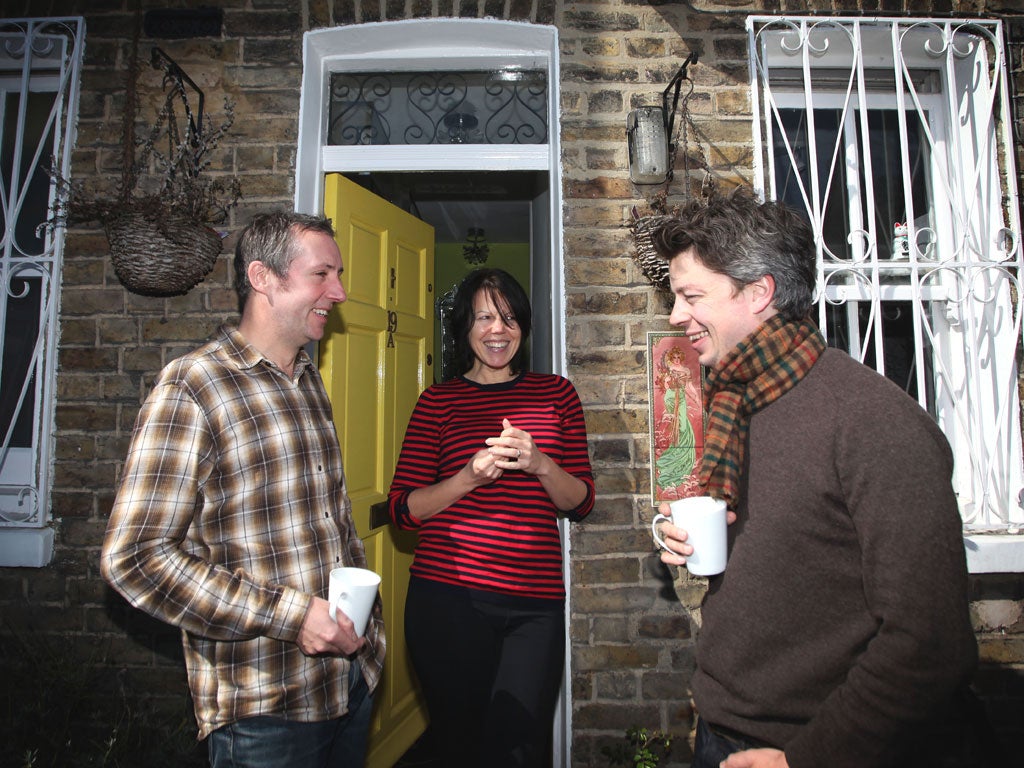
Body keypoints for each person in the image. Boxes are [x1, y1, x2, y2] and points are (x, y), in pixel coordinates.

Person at [649, 189, 980, 768]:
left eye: (690, 296)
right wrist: (681, 540)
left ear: (758, 293)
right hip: (720, 733)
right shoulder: (731, 403)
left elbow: (929, 645)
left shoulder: (877, 425)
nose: (676, 316)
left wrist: (808, 758)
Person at [101, 212, 385, 768]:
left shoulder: (306, 379)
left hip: (349, 682)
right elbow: (134, 559)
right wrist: (295, 616)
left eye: (339, 274)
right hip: (265, 708)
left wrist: (365, 638)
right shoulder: (193, 385)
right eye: (322, 274)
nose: (340, 292)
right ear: (263, 277)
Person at [388, 267, 595, 767]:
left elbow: (582, 501)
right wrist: (466, 479)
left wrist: (539, 462)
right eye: (484, 317)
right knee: (458, 744)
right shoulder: (438, 401)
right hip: (447, 602)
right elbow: (402, 510)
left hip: (534, 608)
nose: (497, 330)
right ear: (464, 328)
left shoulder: (557, 394)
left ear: (522, 326)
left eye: (508, 318)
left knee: (520, 749)